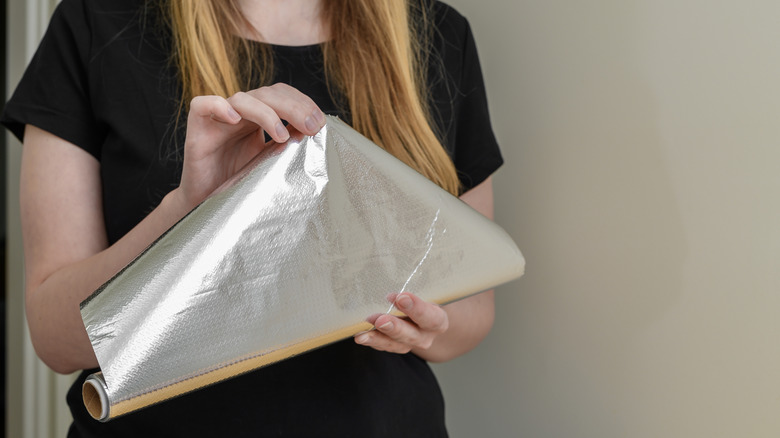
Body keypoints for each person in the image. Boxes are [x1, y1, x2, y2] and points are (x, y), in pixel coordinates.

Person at [2, 0, 503, 436]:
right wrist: (188, 212)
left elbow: (476, 309)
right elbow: (55, 336)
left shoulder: (438, 36)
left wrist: (428, 325)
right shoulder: (95, 22)